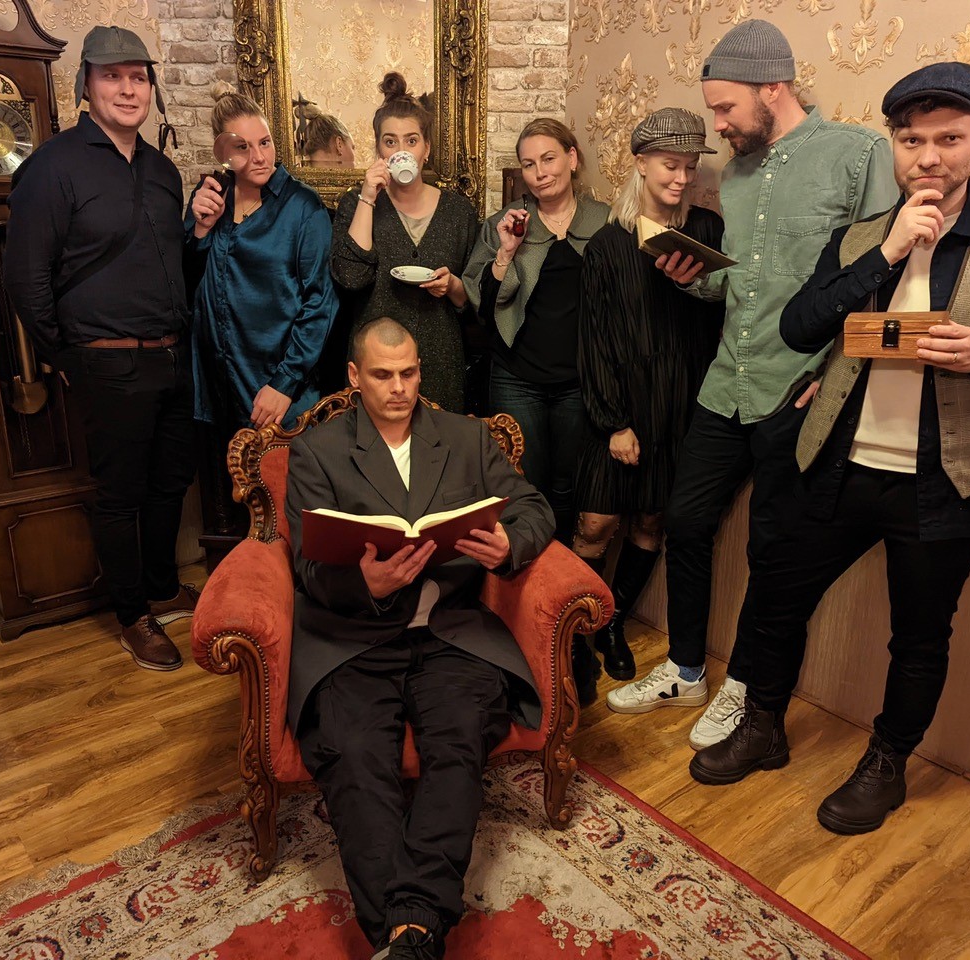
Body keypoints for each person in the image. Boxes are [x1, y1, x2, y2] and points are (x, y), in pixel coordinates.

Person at [689, 63, 970, 834]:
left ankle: (886, 761)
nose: (928, 157)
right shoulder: (861, 236)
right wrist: (886, 253)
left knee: (918, 637)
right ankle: (763, 725)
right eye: (910, 140)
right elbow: (800, 327)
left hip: (945, 483)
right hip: (834, 466)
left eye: (948, 139)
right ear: (894, 145)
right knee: (774, 600)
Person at [607, 20, 899, 747]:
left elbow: (883, 281)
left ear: (773, 88)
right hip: (724, 385)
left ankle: (745, 686)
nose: (717, 125)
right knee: (685, 522)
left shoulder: (858, 155)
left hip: (797, 390)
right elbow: (739, 288)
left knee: (772, 551)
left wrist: (835, 373)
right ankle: (685, 670)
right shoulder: (736, 176)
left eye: (725, 108)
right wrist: (691, 277)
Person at [285, 318, 554, 959]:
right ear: (355, 377)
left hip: (450, 632)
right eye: (383, 375)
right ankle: (412, 932)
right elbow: (307, 566)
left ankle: (406, 933)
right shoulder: (317, 451)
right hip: (353, 637)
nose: (399, 387)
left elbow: (534, 508)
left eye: (408, 372)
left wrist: (510, 544)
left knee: (459, 743)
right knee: (356, 755)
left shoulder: (466, 438)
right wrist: (365, 585)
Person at [4, 25, 196, 670]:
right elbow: (25, 278)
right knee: (121, 494)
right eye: (112, 76)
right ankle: (132, 614)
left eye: (138, 76)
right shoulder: (52, 167)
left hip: (172, 354)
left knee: (171, 482)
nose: (127, 88)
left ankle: (162, 585)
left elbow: (167, 259)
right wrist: (67, 356)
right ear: (85, 85)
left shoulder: (163, 170)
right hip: (107, 360)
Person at [570, 109, 724, 704]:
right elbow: (595, 339)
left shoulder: (707, 230)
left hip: (682, 406)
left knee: (652, 521)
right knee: (596, 524)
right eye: (669, 165)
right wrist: (614, 423)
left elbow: (722, 313)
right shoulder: (609, 244)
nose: (681, 178)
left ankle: (611, 623)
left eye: (690, 167)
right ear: (640, 162)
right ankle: (575, 638)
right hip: (620, 408)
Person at [185, 86, 338, 551]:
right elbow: (185, 284)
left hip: (279, 386)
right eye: (243, 146)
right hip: (220, 386)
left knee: (292, 511)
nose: (258, 156)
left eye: (265, 142)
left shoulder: (303, 208)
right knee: (239, 514)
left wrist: (284, 383)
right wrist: (198, 230)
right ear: (223, 152)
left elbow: (320, 303)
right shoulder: (210, 200)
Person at [462, 118, 610, 545]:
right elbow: (481, 306)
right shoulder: (505, 223)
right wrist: (506, 253)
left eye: (548, 159)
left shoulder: (605, 221)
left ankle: (559, 571)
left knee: (567, 487)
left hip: (579, 381)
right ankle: (525, 572)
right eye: (529, 164)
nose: (540, 172)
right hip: (517, 378)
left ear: (572, 158)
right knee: (524, 485)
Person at [331, 72, 479, 413]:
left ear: (426, 149)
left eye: (411, 141)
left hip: (440, 359)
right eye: (390, 142)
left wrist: (452, 285)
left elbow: (474, 300)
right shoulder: (356, 204)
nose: (401, 151)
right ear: (379, 150)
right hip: (376, 365)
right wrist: (368, 197)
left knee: (441, 443)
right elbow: (351, 278)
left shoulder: (458, 212)